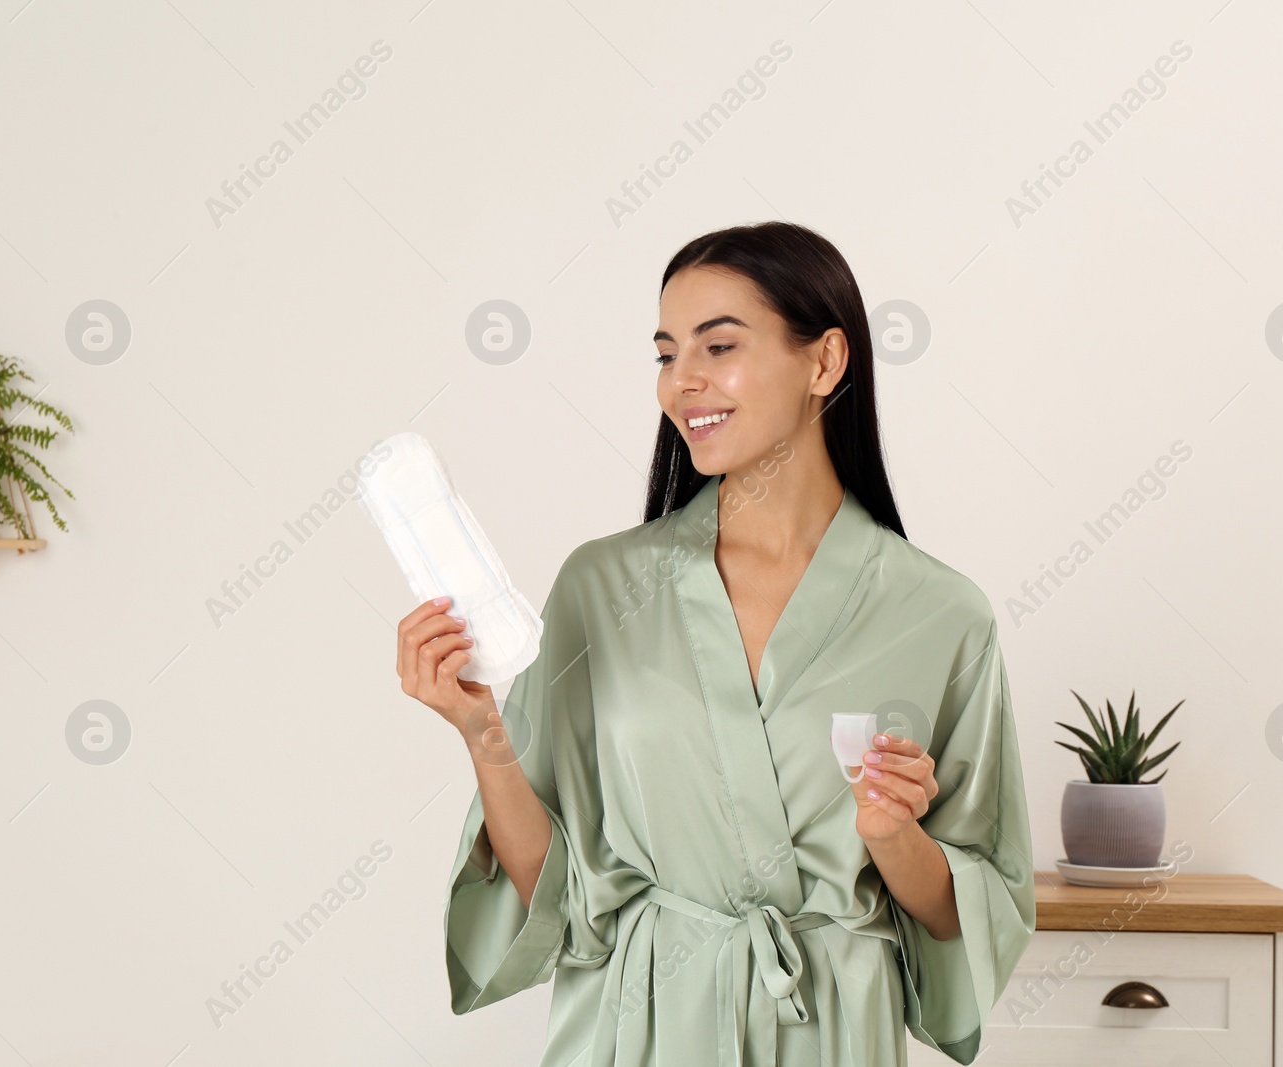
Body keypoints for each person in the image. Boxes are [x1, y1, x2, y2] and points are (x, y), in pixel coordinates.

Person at [398, 221, 1035, 1066]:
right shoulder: (603, 587)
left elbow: (980, 910)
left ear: (824, 362)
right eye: (666, 354)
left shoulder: (942, 614)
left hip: (833, 1033)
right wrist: (483, 732)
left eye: (718, 346)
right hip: (638, 1028)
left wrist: (893, 838)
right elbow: (553, 892)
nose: (682, 382)